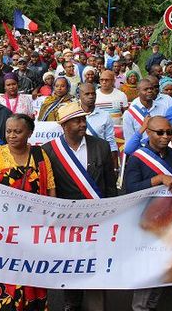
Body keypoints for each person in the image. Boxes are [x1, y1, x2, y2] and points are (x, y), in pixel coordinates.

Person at [42, 102, 116, 311]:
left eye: (83, 119)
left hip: (97, 217)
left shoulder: (100, 146)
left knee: (95, 263)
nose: (83, 124)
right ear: (64, 125)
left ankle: (96, 305)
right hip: (69, 220)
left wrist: (113, 211)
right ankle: (71, 303)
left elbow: (110, 183)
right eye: (77, 121)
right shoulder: (50, 151)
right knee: (71, 262)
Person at [0, 114, 55, 310]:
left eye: (17, 131)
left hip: (34, 229)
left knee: (33, 274)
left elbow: (50, 188)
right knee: (7, 272)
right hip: (5, 231)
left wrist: (50, 219)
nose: (12, 135)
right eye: (8, 131)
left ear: (29, 133)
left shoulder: (40, 155)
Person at [124, 116, 172, 311]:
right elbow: (130, 189)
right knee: (147, 267)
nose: (166, 137)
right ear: (148, 133)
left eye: (169, 133)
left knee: (163, 266)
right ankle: (140, 308)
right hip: (144, 220)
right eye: (160, 132)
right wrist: (157, 180)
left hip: (169, 219)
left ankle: (152, 305)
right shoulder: (138, 158)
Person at [79, 83, 118, 170]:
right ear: (79, 95)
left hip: (100, 159)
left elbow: (111, 141)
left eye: (93, 94)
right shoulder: (73, 115)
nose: (91, 96)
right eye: (87, 94)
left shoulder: (105, 115)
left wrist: (115, 167)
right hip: (79, 158)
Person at [123, 79, 172, 143]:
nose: (150, 91)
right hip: (139, 149)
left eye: (151, 89)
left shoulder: (163, 108)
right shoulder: (129, 113)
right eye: (146, 89)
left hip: (160, 148)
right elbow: (129, 138)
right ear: (138, 92)